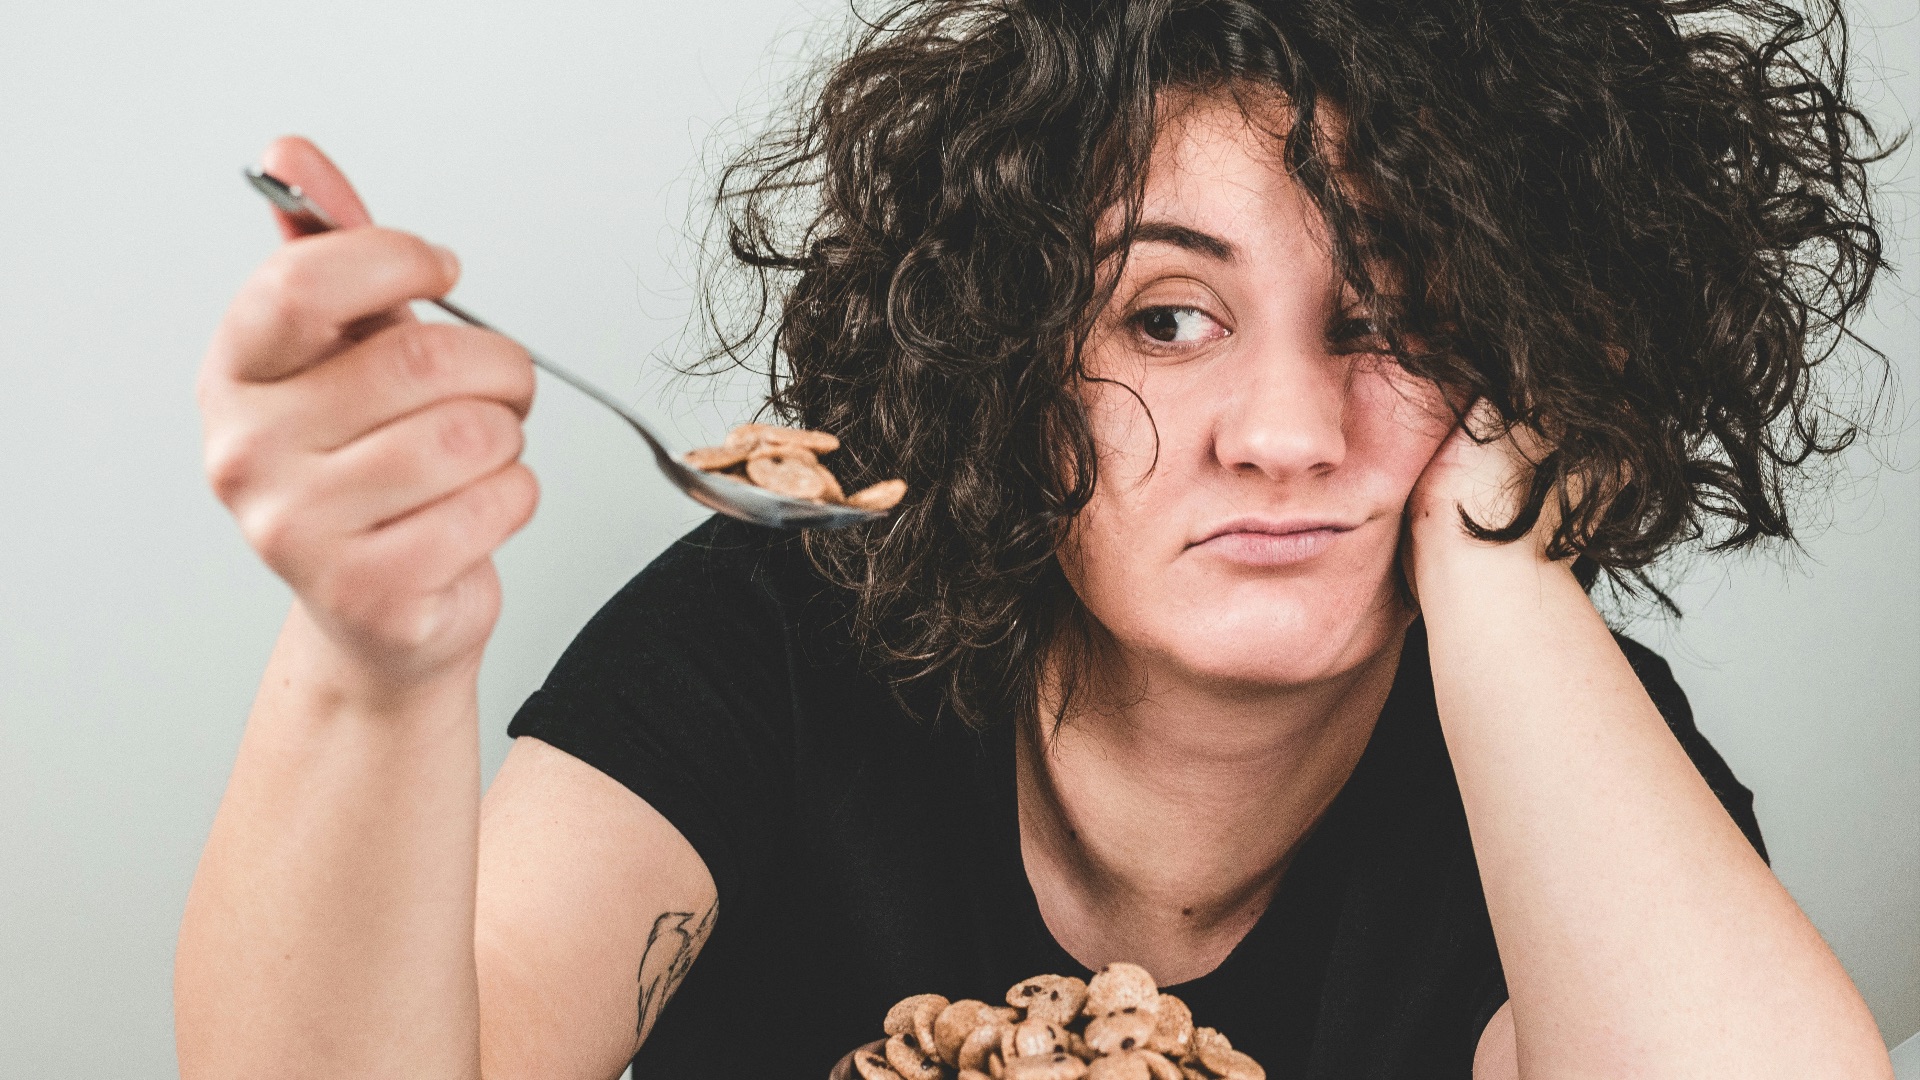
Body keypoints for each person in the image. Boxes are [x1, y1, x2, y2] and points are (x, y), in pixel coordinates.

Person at [174, 1, 1899, 1077]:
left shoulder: (1559, 746)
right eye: (1164, 318)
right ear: (1009, 356)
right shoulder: (779, 632)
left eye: (1390, 320)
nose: (1285, 434)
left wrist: (1508, 551)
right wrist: (367, 665)